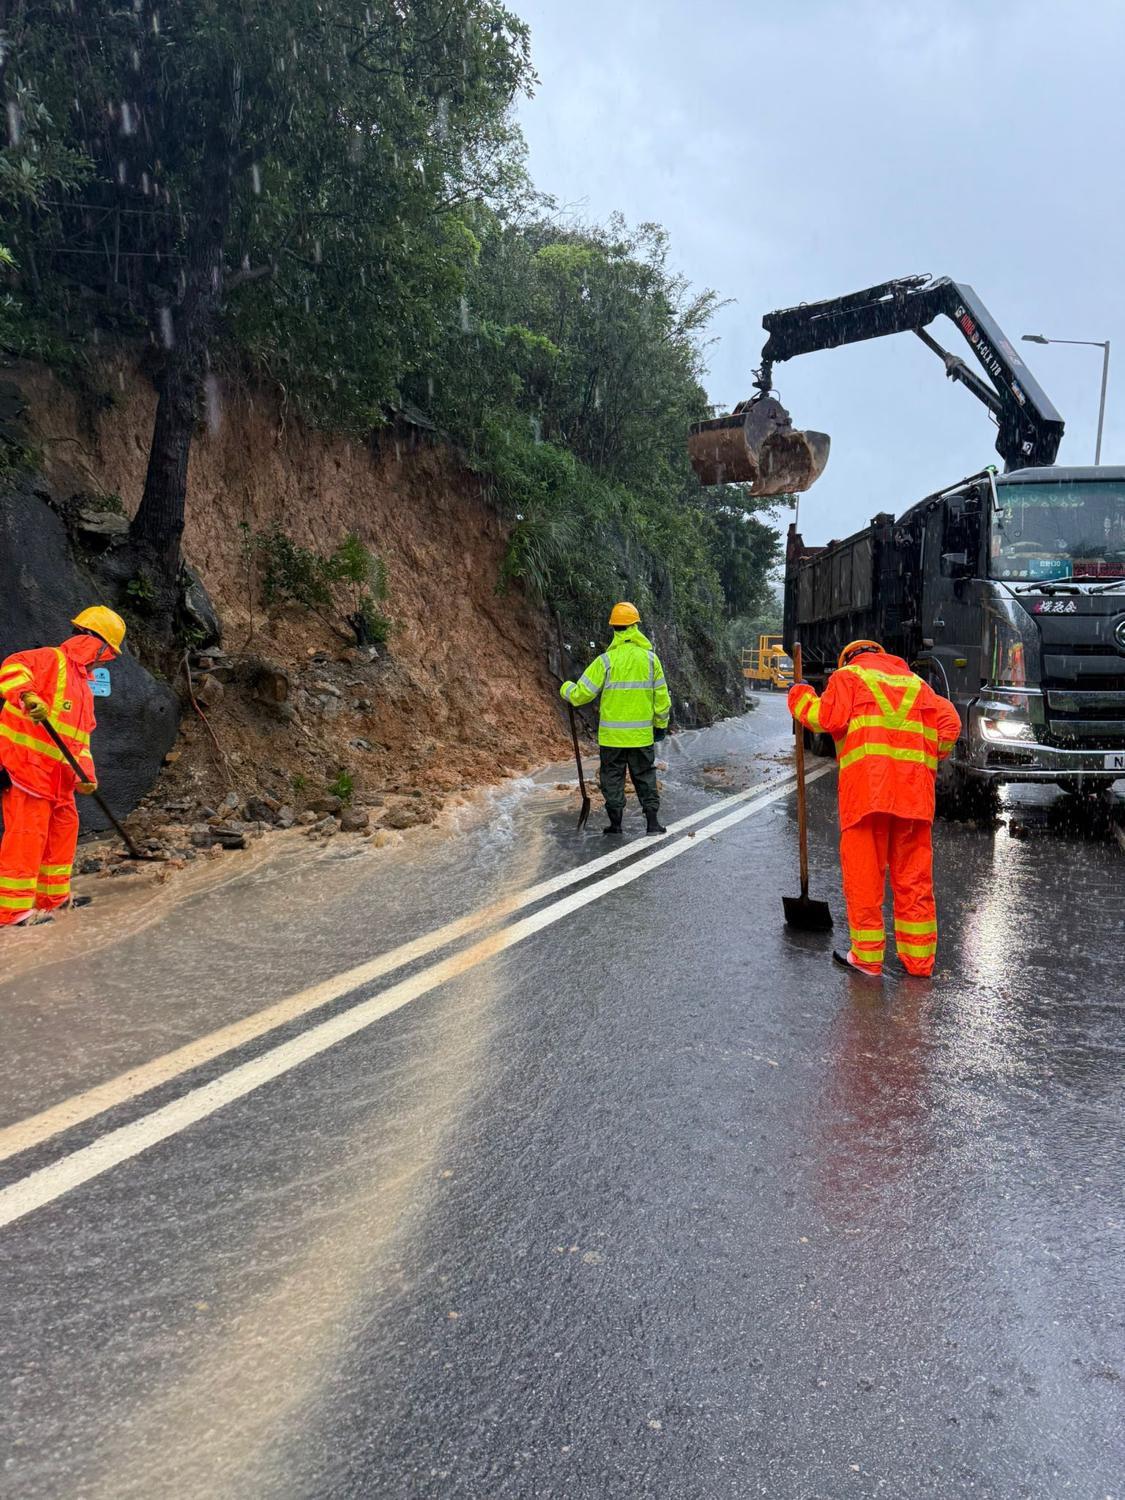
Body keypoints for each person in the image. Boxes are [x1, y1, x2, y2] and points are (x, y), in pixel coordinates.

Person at [787, 639, 961, 978]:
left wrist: (798, 696)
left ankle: (867, 958)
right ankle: (919, 962)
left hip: (868, 796)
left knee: (864, 877)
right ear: (882, 656)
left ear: (849, 657)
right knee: (914, 880)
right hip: (913, 799)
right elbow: (950, 725)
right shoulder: (918, 685)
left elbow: (824, 718)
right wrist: (928, 754)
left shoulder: (847, 678)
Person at [0, 606, 126, 928]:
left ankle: (54, 901)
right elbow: (12, 666)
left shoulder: (84, 688)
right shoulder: (51, 660)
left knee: (63, 833)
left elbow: (80, 741)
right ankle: (12, 914)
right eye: (106, 652)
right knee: (27, 837)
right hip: (26, 769)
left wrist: (87, 776)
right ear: (94, 642)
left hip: (59, 780)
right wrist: (26, 695)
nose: (104, 660)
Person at [560, 602, 672, 836]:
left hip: (612, 738)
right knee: (645, 777)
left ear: (614, 629)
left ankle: (616, 824)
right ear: (635, 627)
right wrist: (660, 726)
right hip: (641, 737)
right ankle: (652, 824)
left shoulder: (606, 661)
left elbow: (581, 695)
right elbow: (662, 700)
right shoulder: (651, 660)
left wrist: (566, 688)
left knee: (612, 778)